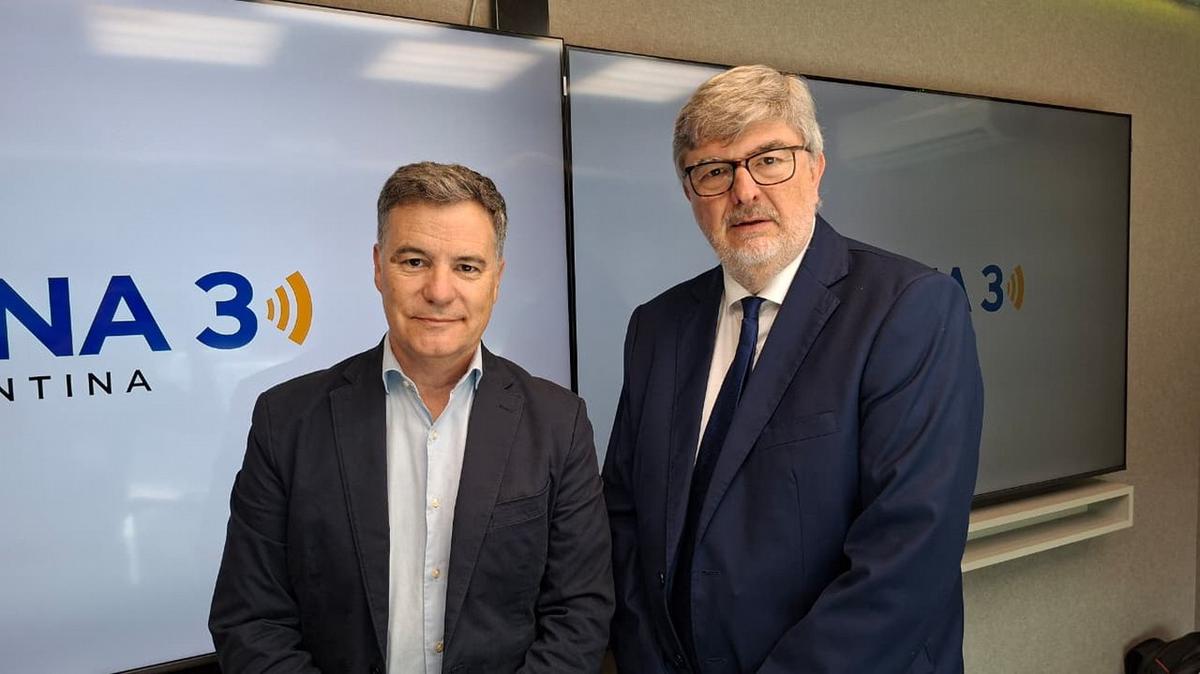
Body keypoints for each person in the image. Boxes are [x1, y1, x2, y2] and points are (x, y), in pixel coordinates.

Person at [603, 65, 984, 673]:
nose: (744, 191)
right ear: (691, 194)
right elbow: (625, 520)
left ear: (816, 169)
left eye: (769, 160)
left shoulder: (908, 308)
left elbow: (907, 554)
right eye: (714, 171)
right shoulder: (657, 327)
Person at [210, 162, 613, 673]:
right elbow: (251, 622)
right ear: (379, 267)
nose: (440, 292)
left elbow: (579, 615)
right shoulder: (286, 420)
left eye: (467, 267)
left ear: (496, 279)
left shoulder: (559, 423)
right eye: (415, 261)